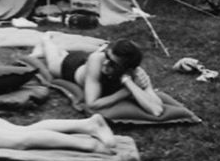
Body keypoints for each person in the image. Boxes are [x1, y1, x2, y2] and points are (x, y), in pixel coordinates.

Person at [33, 34, 163, 116]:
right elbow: (92, 104)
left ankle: (61, 50)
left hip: (87, 65)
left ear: (126, 69)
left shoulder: (136, 73)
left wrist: (129, 83)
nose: (105, 63)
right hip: (73, 67)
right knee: (53, 63)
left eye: (113, 63)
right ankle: (46, 40)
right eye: (107, 56)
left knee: (60, 55)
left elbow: (156, 109)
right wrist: (126, 91)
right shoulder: (97, 59)